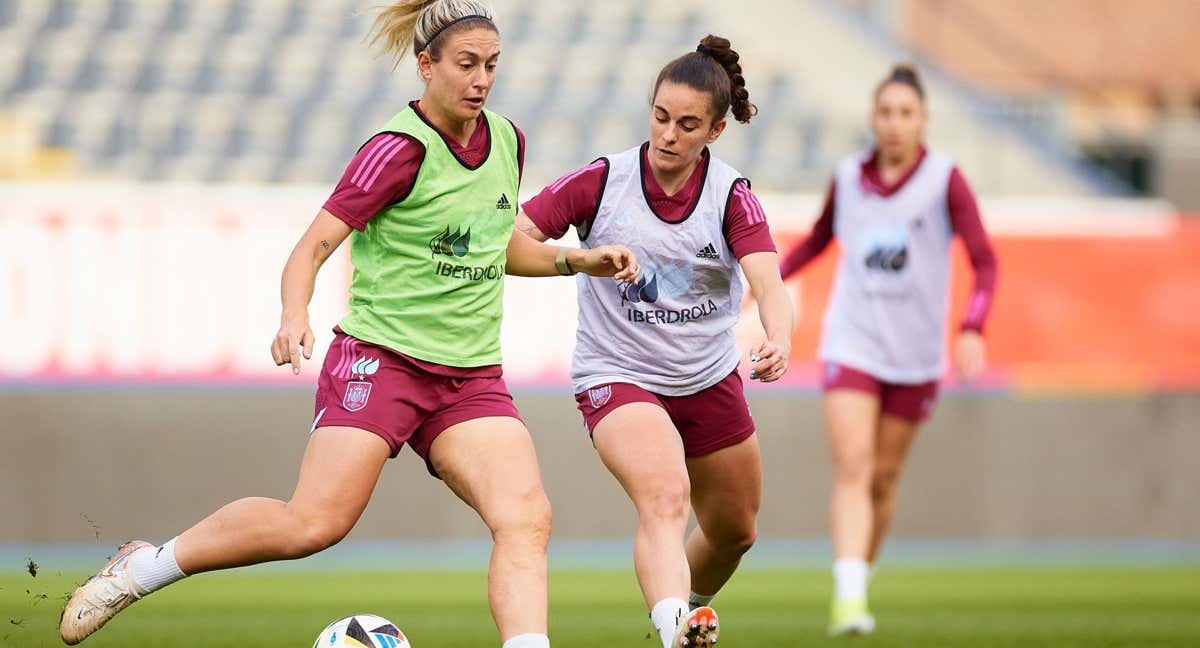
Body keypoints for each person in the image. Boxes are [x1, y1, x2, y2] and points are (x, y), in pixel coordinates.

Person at [58, 2, 638, 646]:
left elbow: (495, 247)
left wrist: (576, 260)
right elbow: (310, 248)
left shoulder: (508, 140)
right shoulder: (395, 150)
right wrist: (292, 315)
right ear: (426, 65)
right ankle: (140, 570)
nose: (481, 80)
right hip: (383, 362)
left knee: (526, 517)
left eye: (492, 66)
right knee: (312, 524)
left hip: (470, 376)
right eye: (467, 64)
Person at [517, 35, 793, 648]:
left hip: (708, 377)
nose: (668, 135)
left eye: (688, 124)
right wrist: (580, 260)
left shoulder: (730, 196)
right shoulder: (602, 181)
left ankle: (685, 610)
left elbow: (770, 285)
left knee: (734, 531)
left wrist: (780, 337)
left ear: (715, 132)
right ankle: (674, 630)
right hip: (617, 372)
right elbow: (513, 242)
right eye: (660, 117)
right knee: (667, 495)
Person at [779, 64, 998, 636]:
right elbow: (820, 238)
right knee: (852, 465)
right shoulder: (849, 176)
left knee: (881, 478)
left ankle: (859, 576)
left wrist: (972, 327)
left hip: (917, 355)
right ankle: (849, 601)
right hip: (852, 340)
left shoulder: (945, 180)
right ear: (872, 119)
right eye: (885, 112)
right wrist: (766, 284)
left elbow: (985, 261)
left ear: (923, 120)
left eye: (906, 113)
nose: (895, 124)